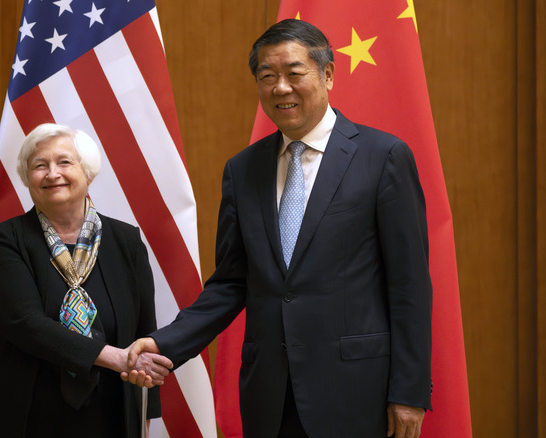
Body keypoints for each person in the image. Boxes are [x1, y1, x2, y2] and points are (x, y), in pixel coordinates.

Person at [124, 19, 433, 438]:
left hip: (357, 393)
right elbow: (231, 283)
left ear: (327, 75)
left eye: (293, 73)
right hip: (269, 395)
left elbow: (409, 285)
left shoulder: (383, 157)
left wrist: (409, 391)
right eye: (267, 77)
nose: (280, 88)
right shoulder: (243, 169)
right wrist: (166, 343)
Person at [0, 123, 172, 438]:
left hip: (112, 413)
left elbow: (145, 330)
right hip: (24, 414)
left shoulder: (126, 241)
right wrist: (113, 357)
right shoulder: (8, 238)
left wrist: (146, 412)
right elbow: (25, 323)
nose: (52, 174)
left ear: (87, 172)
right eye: (39, 166)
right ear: (27, 178)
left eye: (64, 162)